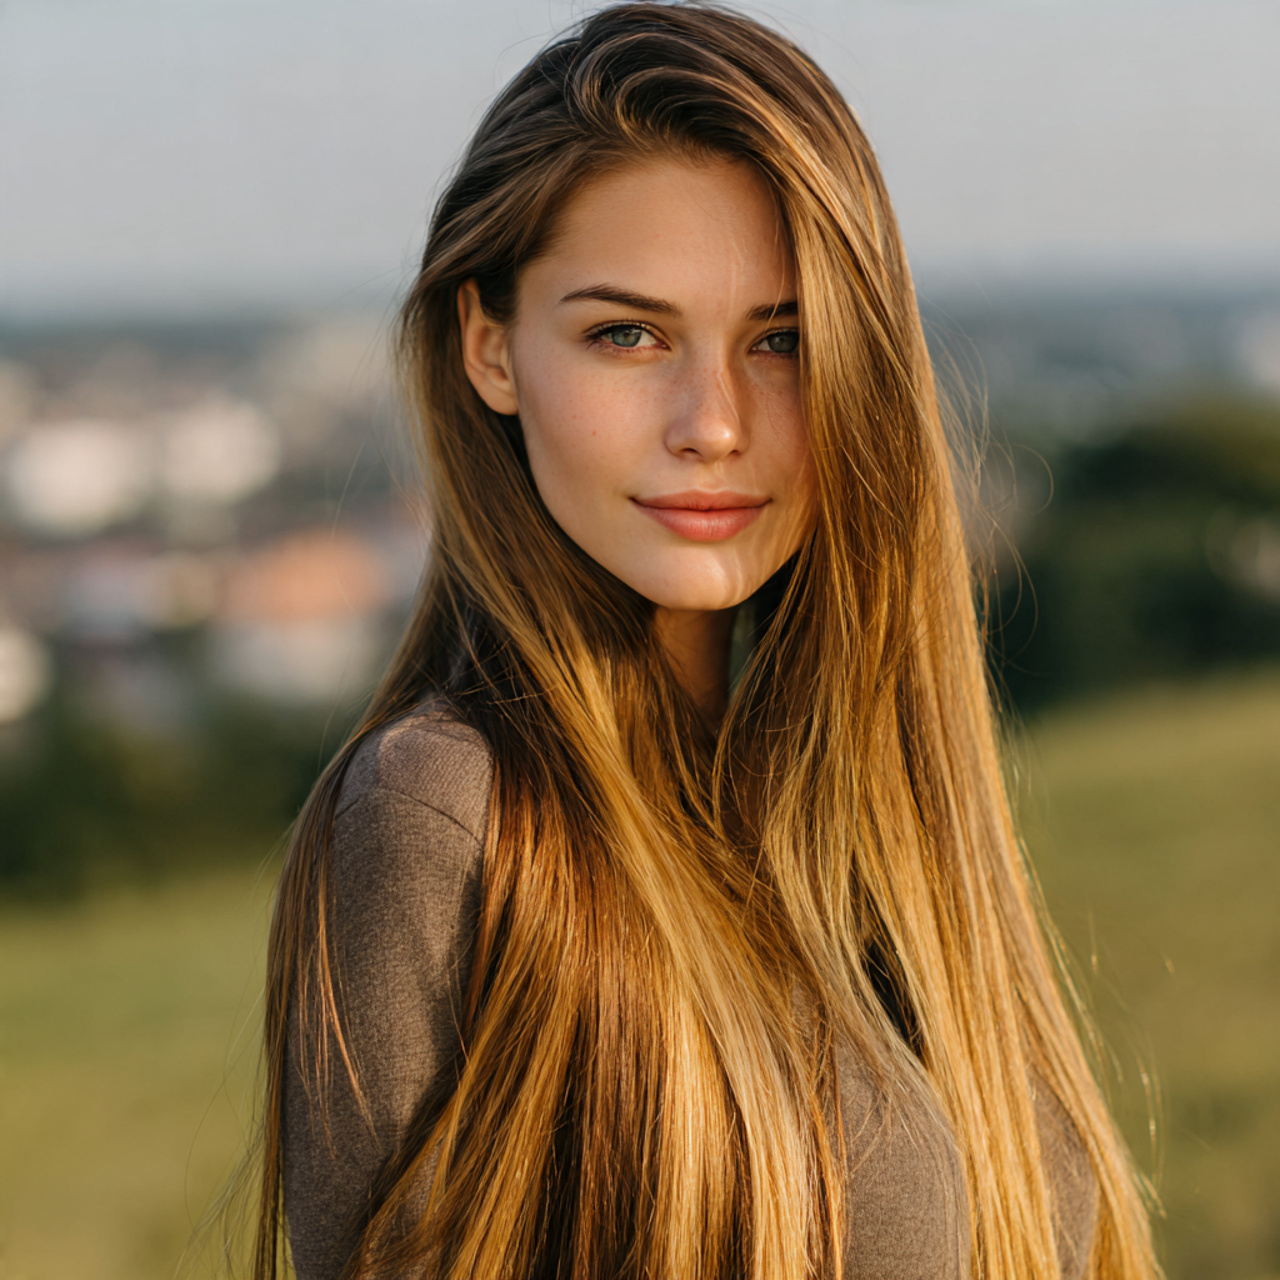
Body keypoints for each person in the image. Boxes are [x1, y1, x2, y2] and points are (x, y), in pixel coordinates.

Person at [255, 5, 1159, 1278]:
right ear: (488, 348)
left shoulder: (868, 817)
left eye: (779, 340)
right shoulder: (447, 817)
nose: (714, 423)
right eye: (626, 334)